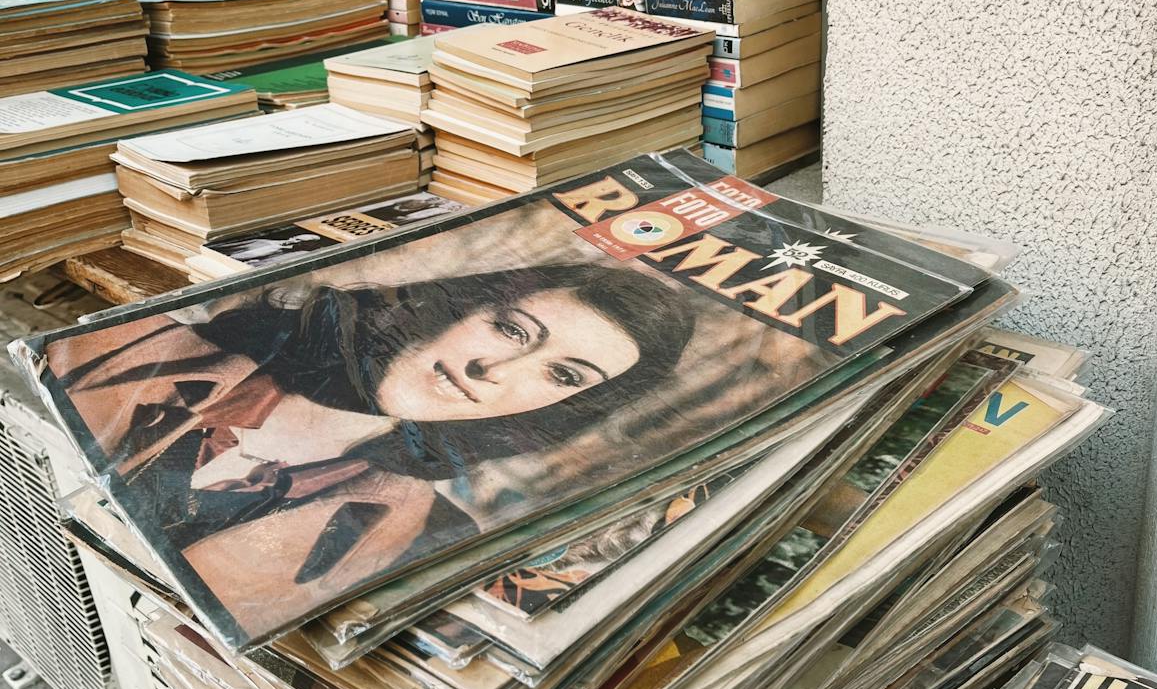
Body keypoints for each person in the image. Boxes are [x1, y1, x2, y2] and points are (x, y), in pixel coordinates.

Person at [47, 262, 695, 634]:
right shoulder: (139, 348)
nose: (493, 370)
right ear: (466, 308)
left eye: (563, 376)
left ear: (565, 408)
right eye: (511, 329)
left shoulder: (425, 539)